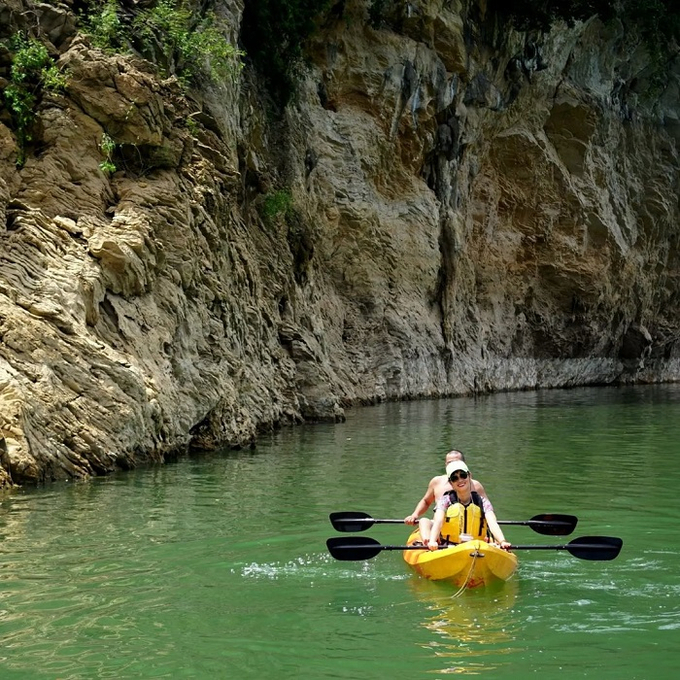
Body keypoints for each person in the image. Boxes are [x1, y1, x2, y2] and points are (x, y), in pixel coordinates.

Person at [427, 460, 511, 551]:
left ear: (469, 476)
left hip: (478, 546)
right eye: (455, 478)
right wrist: (432, 541)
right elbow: (438, 521)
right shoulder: (445, 501)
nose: (460, 480)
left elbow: (492, 523)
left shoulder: (482, 502)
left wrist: (502, 541)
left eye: (463, 475)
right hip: (449, 546)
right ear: (451, 483)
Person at [404, 450, 487, 532]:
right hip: (440, 527)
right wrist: (415, 515)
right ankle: (430, 542)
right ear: (446, 465)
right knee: (424, 522)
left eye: (456, 462)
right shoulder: (437, 482)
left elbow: (486, 509)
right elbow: (426, 501)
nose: (453, 465)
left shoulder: (475, 485)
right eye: (449, 463)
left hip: (469, 528)